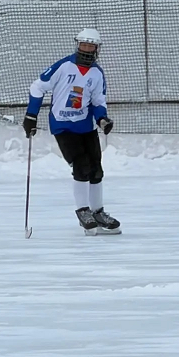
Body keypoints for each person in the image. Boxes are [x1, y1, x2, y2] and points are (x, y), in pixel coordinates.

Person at [22, 28, 120, 235]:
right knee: (81, 166)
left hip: (85, 125)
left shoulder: (97, 73)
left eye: (91, 46)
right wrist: (31, 115)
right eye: (83, 45)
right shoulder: (64, 66)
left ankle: (98, 212)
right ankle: (83, 211)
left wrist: (102, 119)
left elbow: (98, 101)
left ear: (97, 49)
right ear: (77, 45)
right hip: (63, 124)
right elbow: (37, 87)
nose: (86, 49)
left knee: (96, 169)